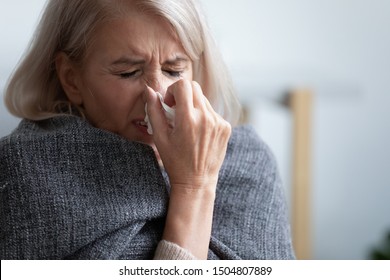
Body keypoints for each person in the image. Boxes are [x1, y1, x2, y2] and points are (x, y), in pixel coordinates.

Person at [0, 0, 295, 260]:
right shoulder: (25, 173)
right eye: (128, 72)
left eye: (174, 70)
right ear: (72, 79)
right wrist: (194, 188)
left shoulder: (248, 166)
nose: (157, 95)